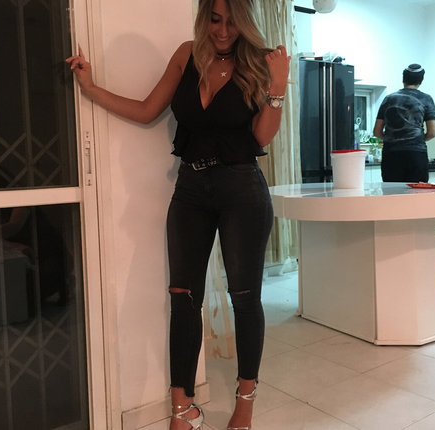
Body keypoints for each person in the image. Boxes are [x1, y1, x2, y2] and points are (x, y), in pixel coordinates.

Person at [66, 0, 290, 429]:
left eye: (232, 22)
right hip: (190, 188)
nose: (222, 30)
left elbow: (261, 137)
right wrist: (91, 89)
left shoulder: (260, 63)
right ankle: (181, 410)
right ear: (204, 16)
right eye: (215, 19)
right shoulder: (187, 55)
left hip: (241, 189)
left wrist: (277, 86)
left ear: (245, 23)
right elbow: (148, 109)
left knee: (244, 298)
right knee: (182, 298)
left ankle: (245, 404)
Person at [373, 63, 435, 183]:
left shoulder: (388, 99)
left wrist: (391, 139)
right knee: (417, 192)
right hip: (416, 154)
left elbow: (377, 131)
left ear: (403, 79)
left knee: (392, 192)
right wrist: (417, 139)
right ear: (421, 80)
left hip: (391, 155)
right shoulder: (426, 99)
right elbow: (432, 132)